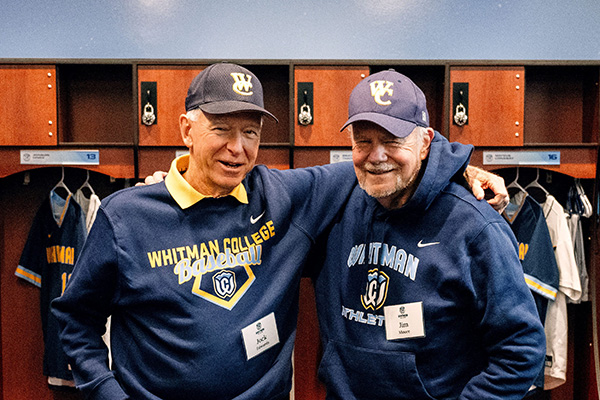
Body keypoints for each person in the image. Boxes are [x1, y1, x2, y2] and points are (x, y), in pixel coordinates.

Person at [51, 63, 507, 400]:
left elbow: (391, 156)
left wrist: (460, 169)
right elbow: (76, 320)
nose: (237, 148)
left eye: (250, 132)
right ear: (186, 130)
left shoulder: (284, 196)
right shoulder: (125, 215)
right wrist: (105, 393)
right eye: (221, 130)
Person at [310, 69, 546, 399]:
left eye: (392, 140)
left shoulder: (476, 227)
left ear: (425, 144)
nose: (377, 156)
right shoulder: (332, 207)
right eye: (363, 141)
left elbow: (521, 351)